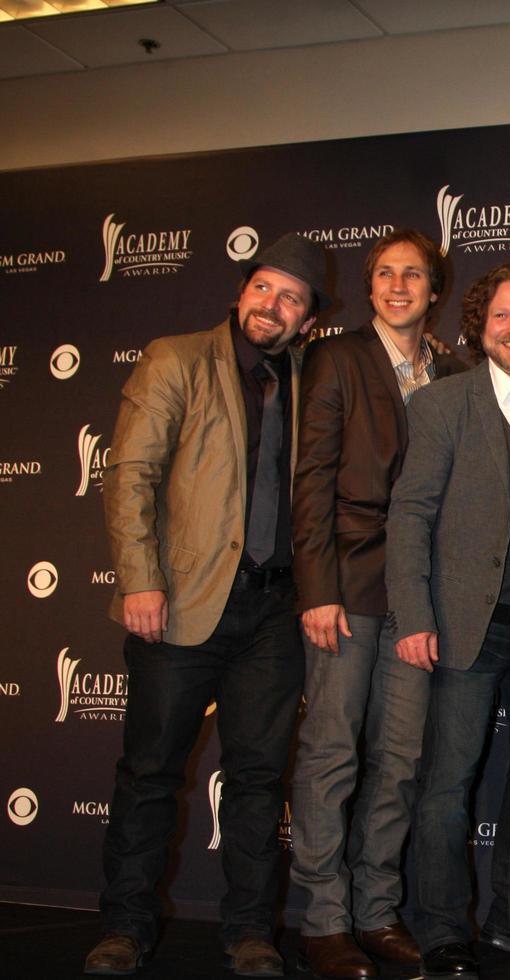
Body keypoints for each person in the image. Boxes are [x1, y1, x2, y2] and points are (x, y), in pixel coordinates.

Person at [87, 234, 330, 978]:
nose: (273, 305)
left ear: (308, 318)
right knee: (150, 774)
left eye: (292, 297)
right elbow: (130, 475)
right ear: (241, 290)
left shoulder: (309, 379)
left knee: (260, 781)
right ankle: (124, 927)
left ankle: (251, 932)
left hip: (272, 614)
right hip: (181, 603)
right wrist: (139, 580)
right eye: (264, 287)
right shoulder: (176, 358)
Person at [385, 263, 510, 978]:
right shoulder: (442, 405)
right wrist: (413, 613)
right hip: (468, 622)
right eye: (502, 315)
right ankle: (442, 930)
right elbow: (410, 515)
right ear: (480, 325)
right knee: (448, 782)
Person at [290, 229, 464, 979]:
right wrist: (317, 589)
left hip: (419, 599)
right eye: (386, 274)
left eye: (414, 275)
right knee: (332, 755)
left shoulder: (455, 371)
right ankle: (325, 918)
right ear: (370, 287)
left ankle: (376, 911)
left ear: (435, 290)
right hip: (352, 587)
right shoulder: (337, 357)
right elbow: (312, 480)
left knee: (398, 763)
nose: (399, 285)